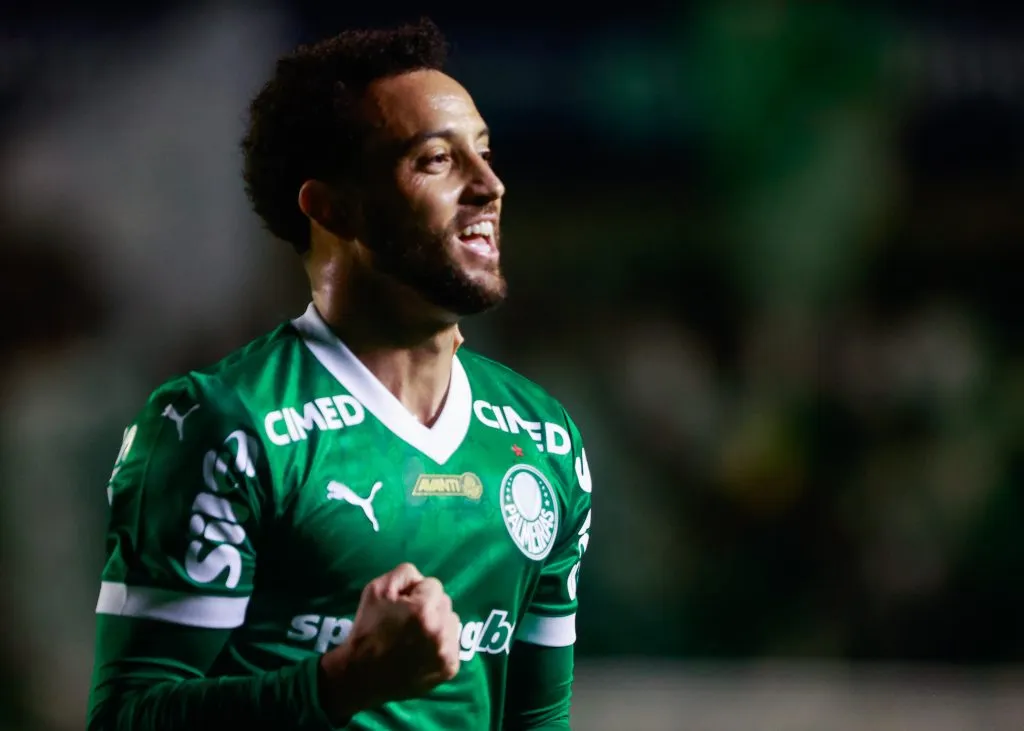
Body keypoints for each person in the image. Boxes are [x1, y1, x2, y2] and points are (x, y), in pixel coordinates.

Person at [87, 18, 593, 731]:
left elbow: (539, 720)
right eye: (435, 161)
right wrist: (341, 681)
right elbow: (125, 720)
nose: (490, 186)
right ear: (332, 208)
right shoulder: (225, 423)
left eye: (483, 153)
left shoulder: (545, 439)